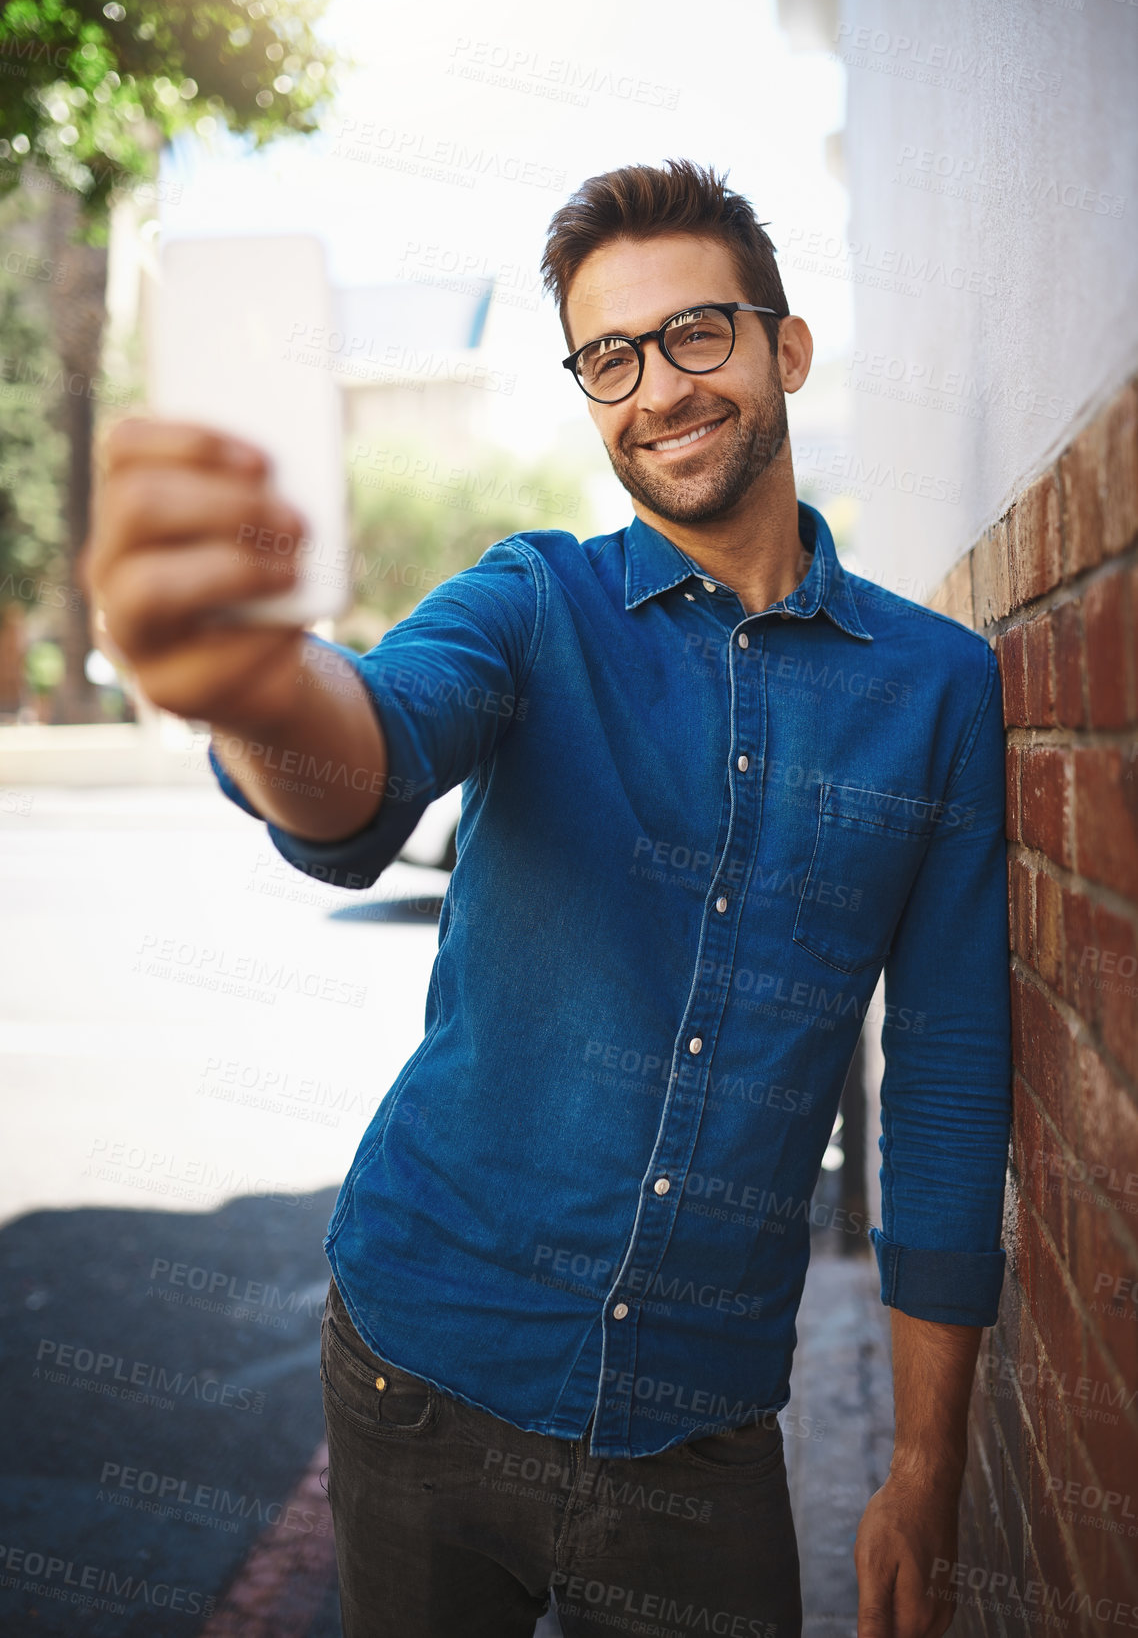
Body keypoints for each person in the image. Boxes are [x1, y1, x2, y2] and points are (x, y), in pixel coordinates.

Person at [86, 159, 1012, 1638]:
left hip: (698, 1441)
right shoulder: (532, 602)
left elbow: (952, 1081)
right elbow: (368, 756)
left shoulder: (938, 692)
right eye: (609, 357)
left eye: (696, 334)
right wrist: (252, 682)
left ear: (785, 346)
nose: (658, 390)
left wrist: (923, 1458)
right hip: (412, 1383)